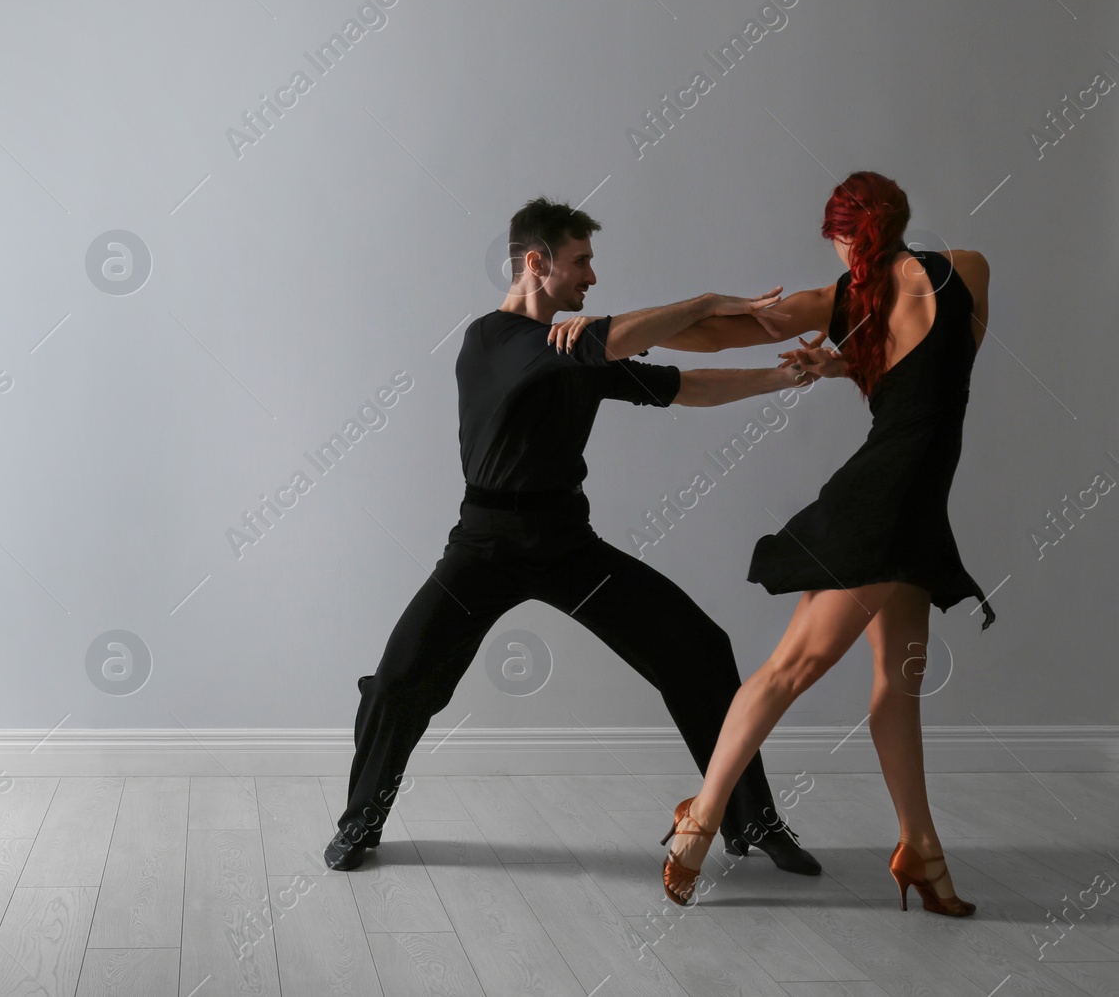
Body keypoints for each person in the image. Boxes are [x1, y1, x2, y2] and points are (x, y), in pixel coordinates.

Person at [323, 196, 825, 876]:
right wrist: (707, 299)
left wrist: (780, 376)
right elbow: (606, 337)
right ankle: (361, 821)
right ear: (538, 261)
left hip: (566, 541)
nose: (592, 276)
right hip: (484, 545)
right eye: (581, 261)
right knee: (398, 681)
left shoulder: (576, 349)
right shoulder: (489, 339)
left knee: (700, 648)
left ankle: (750, 819)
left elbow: (681, 385)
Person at [633, 170, 994, 915]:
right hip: (910, 506)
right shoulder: (969, 270)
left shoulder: (839, 303)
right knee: (850, 679)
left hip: (891, 512)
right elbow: (938, 379)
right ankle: (704, 820)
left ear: (842, 235)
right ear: (897, 220)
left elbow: (710, 334)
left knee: (850, 679)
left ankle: (915, 850)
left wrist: (673, 317)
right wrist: (844, 361)